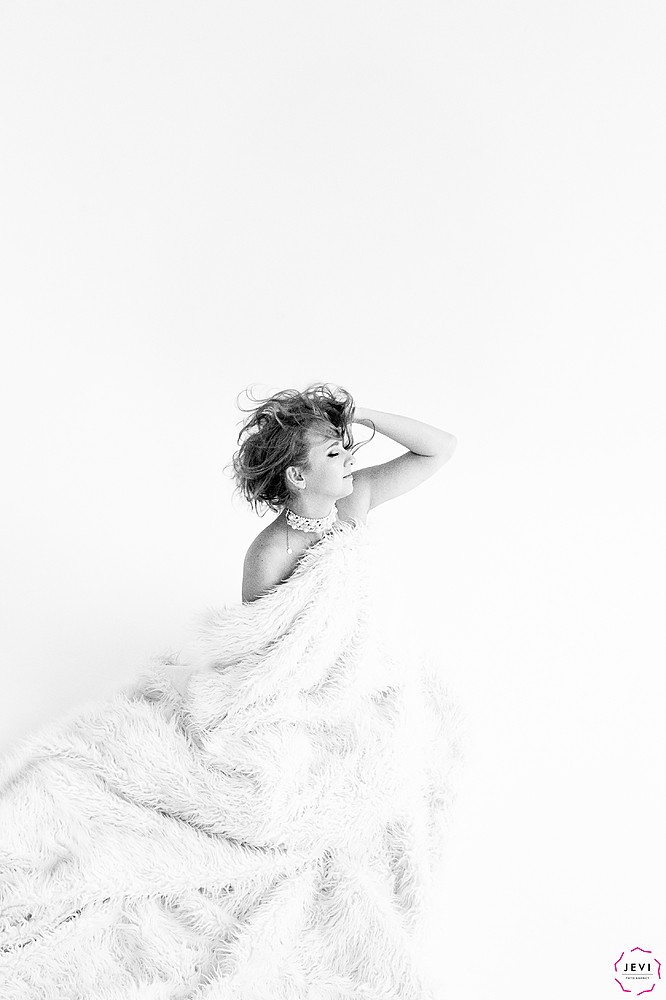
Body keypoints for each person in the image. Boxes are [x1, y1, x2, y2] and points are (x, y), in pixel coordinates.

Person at [0, 383, 463, 1000]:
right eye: (334, 453)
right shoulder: (270, 554)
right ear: (297, 475)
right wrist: (296, 703)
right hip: (294, 694)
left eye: (346, 446)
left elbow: (440, 448)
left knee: (399, 753)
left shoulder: (356, 502)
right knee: (271, 794)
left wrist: (361, 415)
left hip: (360, 673)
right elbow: (266, 655)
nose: (351, 457)